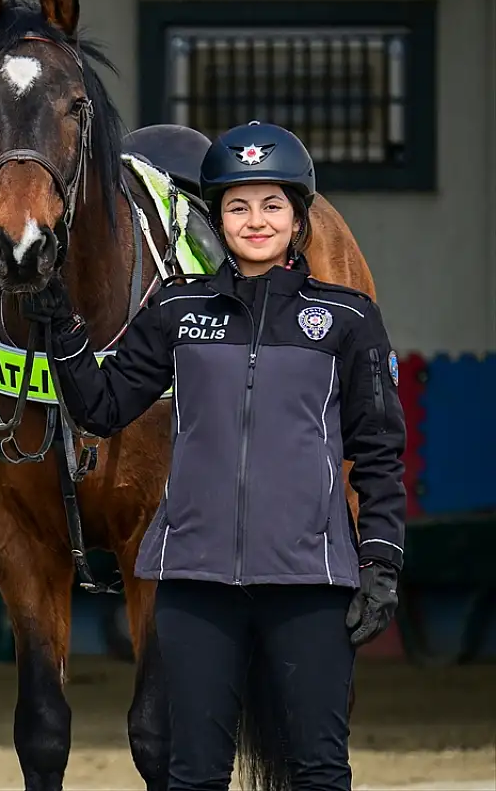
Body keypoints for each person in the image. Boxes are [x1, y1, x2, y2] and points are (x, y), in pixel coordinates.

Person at [22, 121, 406, 791]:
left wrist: (382, 559)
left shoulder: (348, 321)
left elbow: (377, 448)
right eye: (237, 205)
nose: (255, 221)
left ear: (297, 215)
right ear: (217, 217)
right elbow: (102, 408)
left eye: (271, 205)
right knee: (193, 773)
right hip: (196, 587)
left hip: (311, 585)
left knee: (317, 771)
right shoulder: (176, 308)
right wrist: (62, 327)